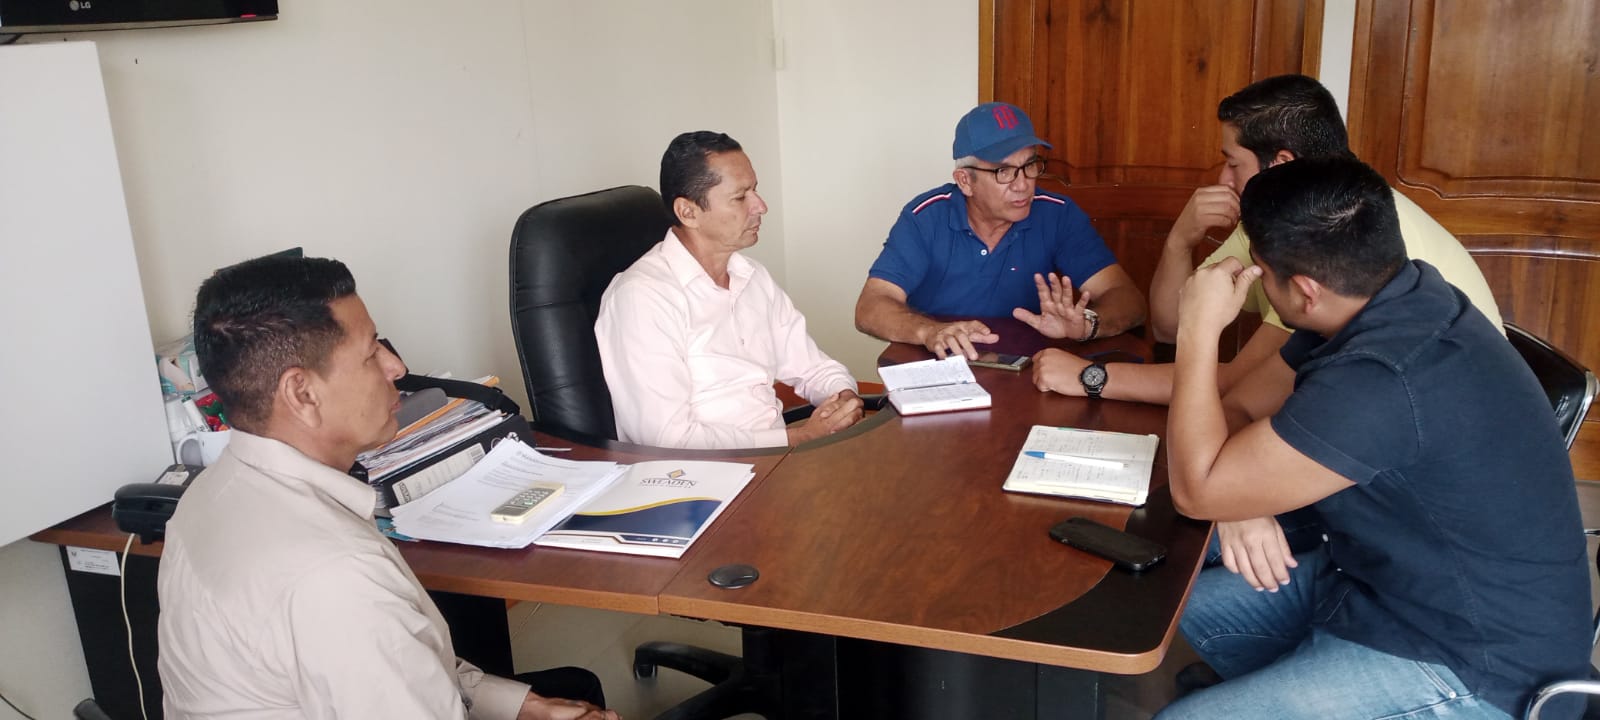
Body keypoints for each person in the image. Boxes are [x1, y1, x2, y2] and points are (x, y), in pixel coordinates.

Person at [1032, 74, 1506, 587]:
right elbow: (1176, 328)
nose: (1223, 177)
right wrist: (1180, 240)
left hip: (1414, 514)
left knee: (1164, 539)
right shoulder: (1300, 213)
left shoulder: (1332, 242)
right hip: (1346, 463)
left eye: (1232, 162)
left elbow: (1231, 382)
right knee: (1167, 531)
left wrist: (1094, 379)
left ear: (1279, 163)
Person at [1157, 157, 1588, 720]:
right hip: (1381, 585)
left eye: (1260, 268)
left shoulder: (1382, 377)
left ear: (1305, 290)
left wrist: (1197, 331)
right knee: (1177, 605)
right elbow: (1239, 407)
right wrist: (1240, 499)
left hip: (1476, 664)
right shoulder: (1397, 294)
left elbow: (1196, 490)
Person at [157, 256, 617, 720]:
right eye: (370, 352)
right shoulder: (336, 575)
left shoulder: (208, 495)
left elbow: (401, 661)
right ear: (302, 394)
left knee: (569, 689)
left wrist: (522, 705)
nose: (395, 367)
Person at [595, 131, 864, 449]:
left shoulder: (752, 276)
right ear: (688, 212)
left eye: (755, 190)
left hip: (777, 458)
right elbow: (667, 437)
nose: (761, 206)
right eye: (740, 197)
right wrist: (796, 437)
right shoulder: (643, 298)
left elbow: (813, 367)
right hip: (700, 472)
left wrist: (842, 396)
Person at [854, 102, 1146, 360]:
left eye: (1030, 165)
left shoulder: (1057, 214)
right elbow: (870, 306)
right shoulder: (926, 217)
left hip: (1027, 372)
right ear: (965, 181)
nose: (1023, 184)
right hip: (939, 368)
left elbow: (1128, 299)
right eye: (1003, 171)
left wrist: (1087, 325)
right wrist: (929, 331)